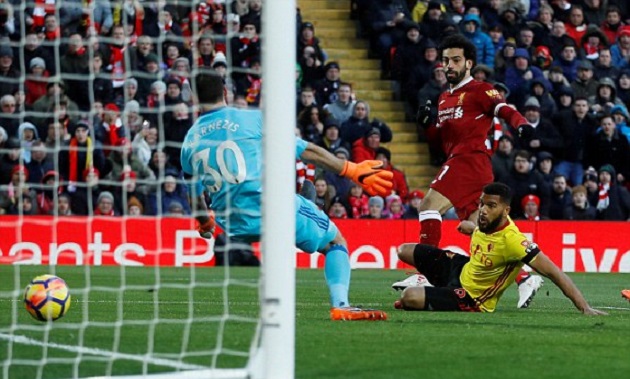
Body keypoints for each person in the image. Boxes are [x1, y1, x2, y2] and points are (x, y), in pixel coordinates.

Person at [180, 71, 394, 321]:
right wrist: (350, 169)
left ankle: (307, 205)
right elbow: (307, 150)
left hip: (233, 225)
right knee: (336, 243)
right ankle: (342, 305)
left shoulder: (188, 142)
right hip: (272, 211)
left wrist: (205, 222)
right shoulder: (251, 120)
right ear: (225, 92)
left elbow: (194, 195)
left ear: (194, 99)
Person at [408, 34, 542, 308]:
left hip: (469, 159)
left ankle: (426, 275)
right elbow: (441, 142)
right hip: (464, 162)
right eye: (445, 60)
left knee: (428, 206)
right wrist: (428, 125)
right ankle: (525, 277)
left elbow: (503, 108)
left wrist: (521, 125)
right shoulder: (444, 98)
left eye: (455, 60)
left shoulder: (481, 89)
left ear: (468, 63)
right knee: (480, 230)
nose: (449, 65)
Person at [394, 183, 607, 315]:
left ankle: (432, 293)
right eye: (481, 204)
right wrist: (472, 227)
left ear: (506, 211)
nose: (483, 211)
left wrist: (584, 307)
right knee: (403, 250)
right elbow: (484, 232)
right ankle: (433, 288)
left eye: (491, 206)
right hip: (461, 269)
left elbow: (555, 273)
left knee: (409, 297)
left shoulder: (514, 242)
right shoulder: (485, 223)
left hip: (472, 296)